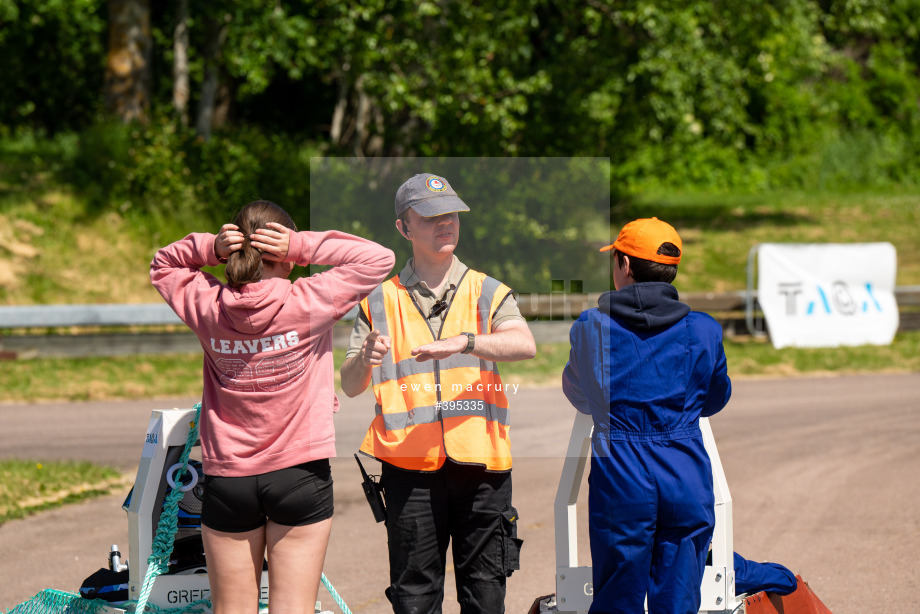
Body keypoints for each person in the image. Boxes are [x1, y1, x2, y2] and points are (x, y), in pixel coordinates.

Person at [150, 200, 395, 614]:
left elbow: (163, 266)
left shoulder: (208, 306)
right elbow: (378, 258)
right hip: (300, 474)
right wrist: (303, 245)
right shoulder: (310, 298)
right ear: (287, 259)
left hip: (229, 478)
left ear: (235, 253)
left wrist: (209, 248)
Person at [340, 173, 536, 614]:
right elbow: (351, 386)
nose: (444, 223)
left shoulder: (488, 291)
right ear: (403, 228)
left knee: (486, 596)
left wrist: (466, 341)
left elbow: (524, 344)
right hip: (409, 469)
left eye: (451, 214)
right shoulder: (377, 301)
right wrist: (365, 358)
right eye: (430, 216)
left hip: (481, 465)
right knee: (414, 600)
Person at [561, 217, 732, 614]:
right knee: (678, 599)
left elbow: (577, 391)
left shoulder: (592, 326)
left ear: (623, 265)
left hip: (620, 472)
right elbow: (717, 397)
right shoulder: (704, 329)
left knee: (617, 598)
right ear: (671, 270)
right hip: (684, 468)